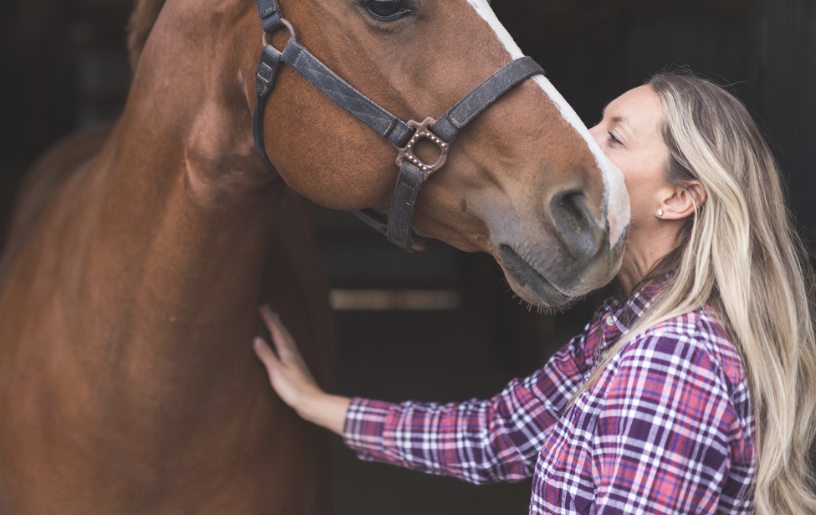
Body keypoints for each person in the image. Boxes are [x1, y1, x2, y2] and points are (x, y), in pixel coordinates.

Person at [253, 71, 816, 515]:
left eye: (614, 136)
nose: (581, 139)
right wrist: (320, 405)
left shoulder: (670, 360)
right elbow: (497, 434)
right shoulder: (625, 327)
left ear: (677, 199)